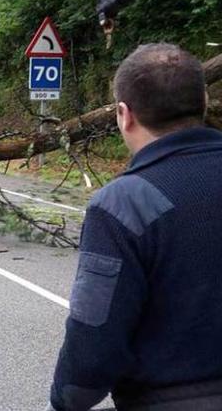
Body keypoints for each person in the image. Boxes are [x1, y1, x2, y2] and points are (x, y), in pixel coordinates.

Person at [47, 44, 222, 411]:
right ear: (204, 103)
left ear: (124, 115)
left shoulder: (123, 205)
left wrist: (65, 400)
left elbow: (93, 342)